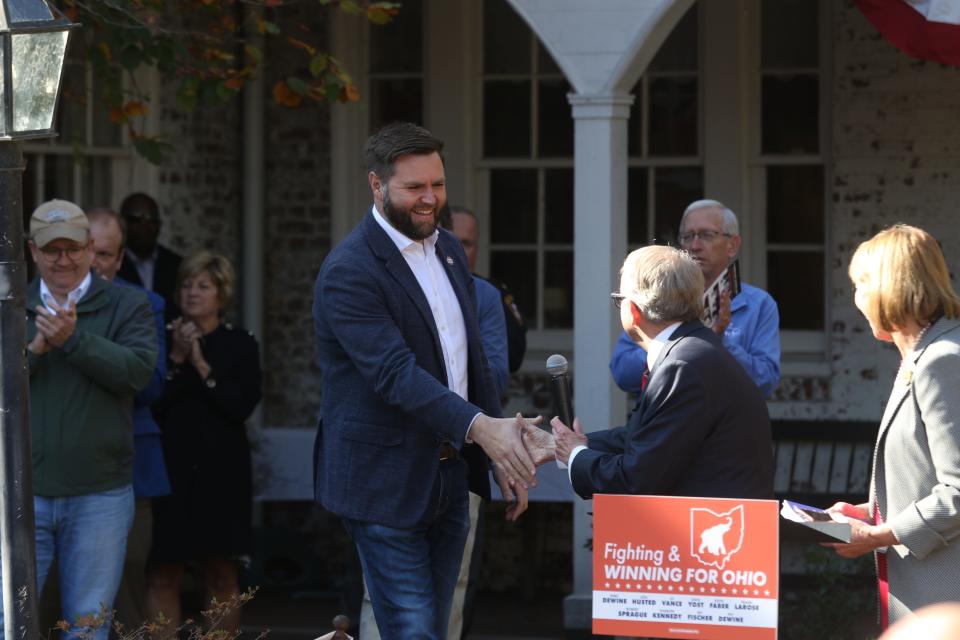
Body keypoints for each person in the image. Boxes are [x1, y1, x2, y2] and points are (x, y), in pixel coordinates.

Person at [312, 121, 536, 640]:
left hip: (451, 476)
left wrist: (498, 450)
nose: (429, 199)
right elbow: (394, 373)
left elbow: (469, 366)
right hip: (382, 479)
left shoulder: (451, 251)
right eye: (414, 187)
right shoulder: (349, 270)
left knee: (435, 626)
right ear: (376, 184)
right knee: (412, 630)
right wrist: (485, 431)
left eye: (437, 184)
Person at [0, 200, 158, 640]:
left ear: (91, 249)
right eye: (52, 250)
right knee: (8, 622)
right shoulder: (12, 304)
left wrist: (74, 341)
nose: (63, 260)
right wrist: (34, 351)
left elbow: (138, 373)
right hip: (20, 495)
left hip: (99, 495)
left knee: (89, 627)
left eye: (72, 248)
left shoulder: (128, 304)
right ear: (32, 251)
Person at [523, 245, 773, 500]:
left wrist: (576, 455)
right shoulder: (694, 350)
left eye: (618, 300)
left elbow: (637, 480)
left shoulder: (682, 365)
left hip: (712, 530)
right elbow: (647, 436)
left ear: (631, 310)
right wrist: (568, 444)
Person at [823, 224, 960, 627]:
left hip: (943, 596)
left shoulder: (941, 360)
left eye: (860, 285)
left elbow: (957, 490)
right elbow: (922, 479)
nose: (857, 300)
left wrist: (878, 536)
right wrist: (866, 513)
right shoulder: (924, 355)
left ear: (888, 287)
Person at [146, 251, 262, 635]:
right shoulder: (158, 340)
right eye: (186, 285)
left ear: (220, 293)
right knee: (164, 570)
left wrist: (202, 366)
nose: (193, 293)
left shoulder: (239, 344)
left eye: (203, 286)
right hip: (170, 471)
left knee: (221, 571)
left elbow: (240, 405)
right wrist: (178, 359)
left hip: (221, 473)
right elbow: (152, 404)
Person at [88, 207, 171, 631]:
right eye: (90, 251)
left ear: (119, 260)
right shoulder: (38, 304)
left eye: (106, 255)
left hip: (131, 462)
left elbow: (152, 386)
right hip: (62, 465)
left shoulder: (144, 305)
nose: (96, 263)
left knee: (127, 589)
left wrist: (84, 348)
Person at [609, 200, 780, 398]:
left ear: (732, 245)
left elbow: (765, 382)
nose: (695, 245)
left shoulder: (758, 305)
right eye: (687, 236)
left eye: (707, 235)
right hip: (666, 421)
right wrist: (671, 337)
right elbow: (622, 373)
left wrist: (719, 340)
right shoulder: (658, 295)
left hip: (725, 425)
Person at [450, 206, 527, 373]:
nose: (460, 251)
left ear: (476, 249)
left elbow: (512, 357)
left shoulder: (491, 294)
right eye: (453, 241)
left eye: (467, 243)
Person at [116, 192, 183, 324]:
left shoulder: (176, 265)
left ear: (159, 224)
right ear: (122, 223)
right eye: (135, 219)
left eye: (151, 219)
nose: (144, 226)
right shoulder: (111, 263)